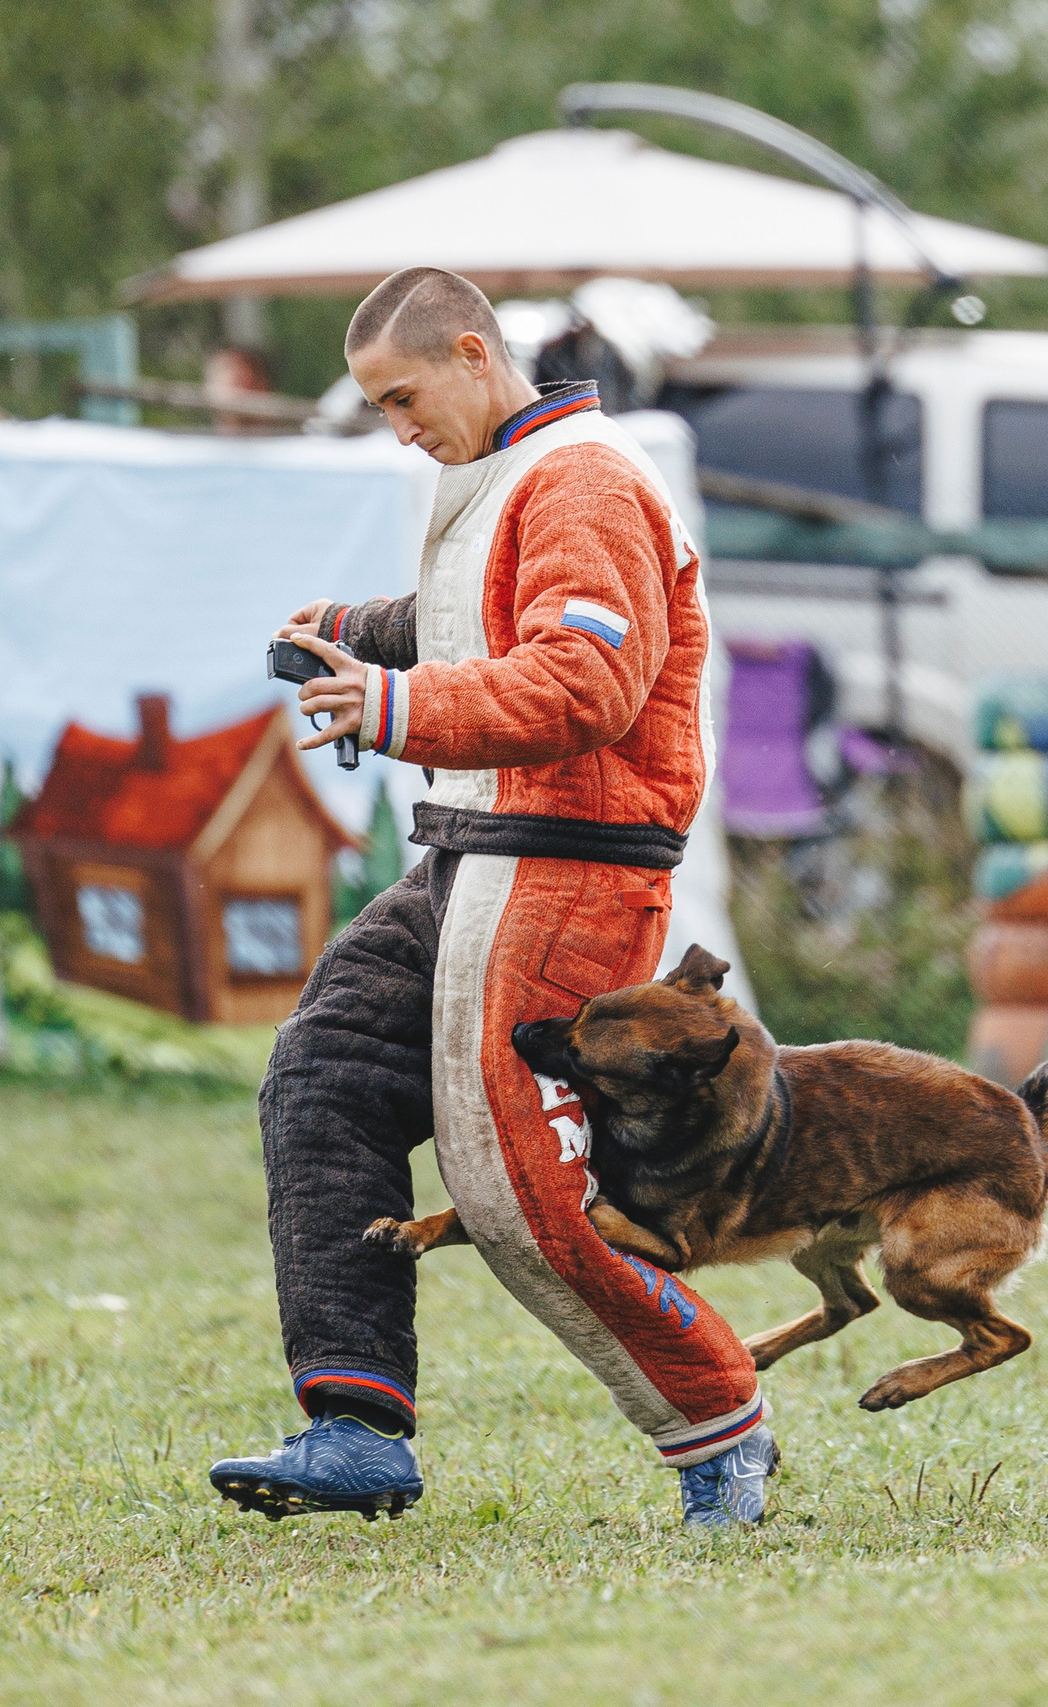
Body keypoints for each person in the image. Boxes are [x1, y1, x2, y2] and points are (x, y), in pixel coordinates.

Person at [207, 268, 773, 1531]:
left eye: (402, 398)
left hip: (569, 868)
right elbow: (490, 623)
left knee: (519, 1190)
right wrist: (366, 631)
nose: (396, 427)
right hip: (474, 849)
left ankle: (717, 1420)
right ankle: (354, 1428)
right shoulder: (518, 472)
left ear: (473, 354)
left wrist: (395, 706)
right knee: (324, 1079)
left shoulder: (581, 477)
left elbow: (586, 681)